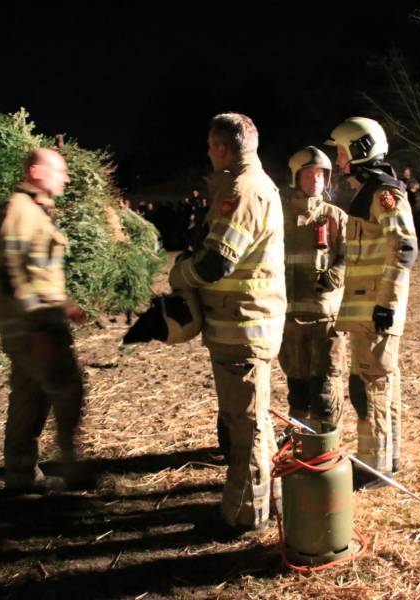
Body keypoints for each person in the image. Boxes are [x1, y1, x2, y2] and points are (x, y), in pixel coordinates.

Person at [169, 113, 285, 534]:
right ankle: (271, 502)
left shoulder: (242, 190)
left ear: (221, 148)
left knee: (245, 426)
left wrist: (180, 274)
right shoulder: (254, 184)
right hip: (246, 324)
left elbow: (217, 262)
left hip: (242, 327)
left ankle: (243, 515)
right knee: (256, 419)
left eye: (209, 148)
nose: (208, 155)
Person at [325, 117, 418, 490]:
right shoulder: (371, 192)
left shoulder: (383, 194)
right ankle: (385, 461)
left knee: (370, 388)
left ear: (360, 150)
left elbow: (404, 247)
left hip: (376, 312)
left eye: (342, 152)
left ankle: (374, 468)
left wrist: (386, 305)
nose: (339, 161)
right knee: (380, 384)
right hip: (369, 311)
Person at [0, 148, 88, 493]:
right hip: (34, 325)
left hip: (37, 321)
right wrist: (37, 327)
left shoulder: (34, 210)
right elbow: (11, 274)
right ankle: (70, 465)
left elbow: (36, 272)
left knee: (30, 394)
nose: (66, 178)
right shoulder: (20, 211)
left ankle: (21, 474)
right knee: (67, 387)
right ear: (35, 171)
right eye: (59, 171)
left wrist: (65, 306)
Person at [279, 146, 348, 430]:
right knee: (297, 390)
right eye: (309, 174)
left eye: (320, 174)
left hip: (326, 319)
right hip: (290, 320)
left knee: (325, 390)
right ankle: (299, 443)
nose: (316, 180)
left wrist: (334, 276)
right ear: (296, 178)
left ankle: (326, 446)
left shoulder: (335, 216)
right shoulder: (279, 217)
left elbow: (350, 256)